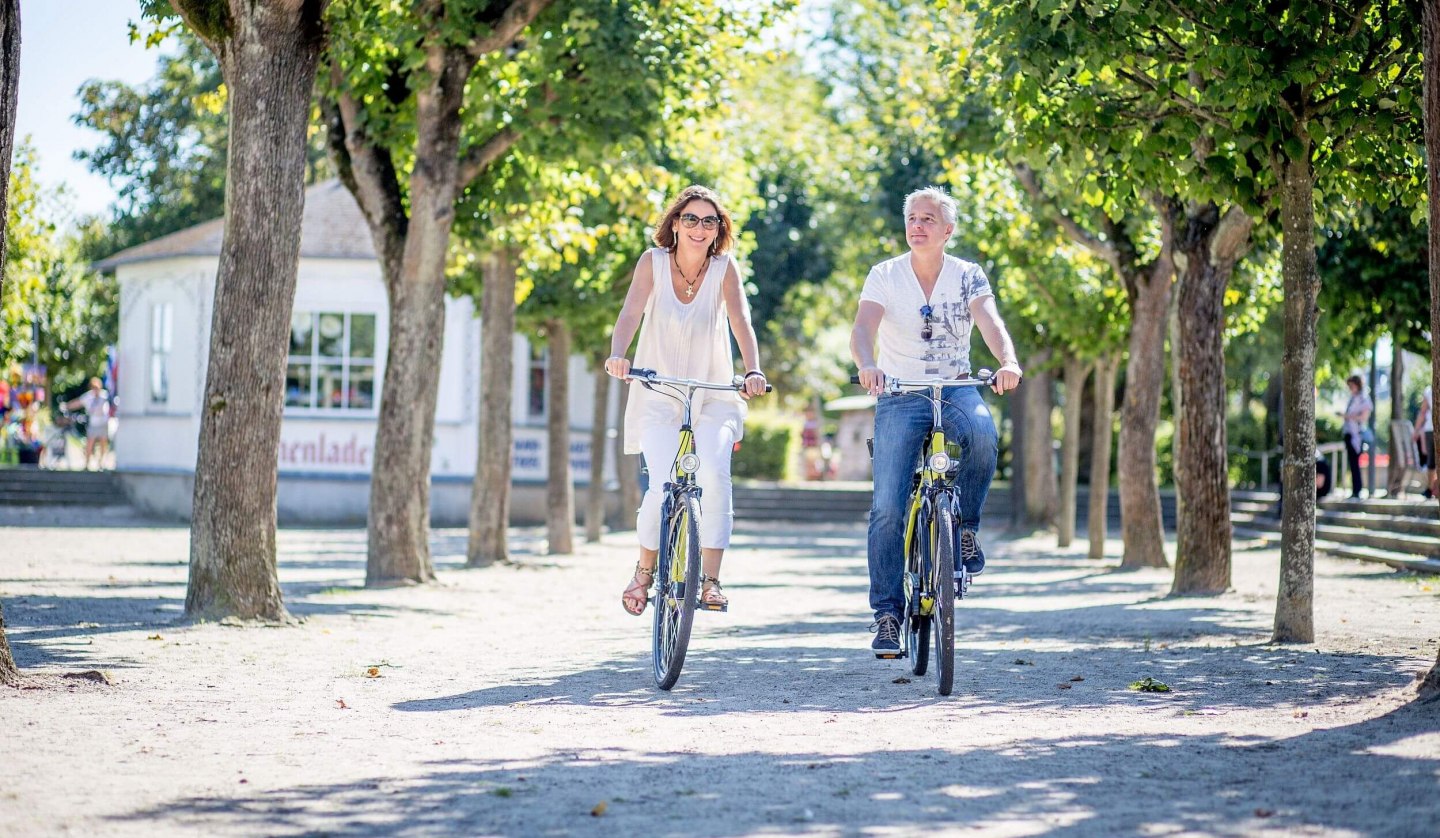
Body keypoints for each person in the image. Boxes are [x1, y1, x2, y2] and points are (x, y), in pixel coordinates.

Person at [850, 186, 1022, 657]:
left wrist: (1007, 360)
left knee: (984, 435)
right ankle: (887, 615)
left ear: (948, 231)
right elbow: (863, 330)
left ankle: (964, 530)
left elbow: (989, 322)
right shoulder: (885, 275)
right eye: (912, 217)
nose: (918, 225)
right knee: (887, 507)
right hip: (900, 393)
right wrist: (869, 364)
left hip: (956, 386)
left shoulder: (968, 275)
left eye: (929, 218)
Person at [604, 185, 768, 615]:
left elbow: (741, 321)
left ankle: (710, 580)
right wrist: (619, 355)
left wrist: (752, 370)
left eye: (709, 221)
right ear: (675, 224)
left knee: (714, 474)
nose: (699, 228)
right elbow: (630, 313)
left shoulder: (724, 268)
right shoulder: (652, 263)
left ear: (719, 231)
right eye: (690, 219)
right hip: (658, 393)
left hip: (713, 394)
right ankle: (644, 573)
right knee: (661, 484)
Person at [65, 377, 112, 470]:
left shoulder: (105, 396)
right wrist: (67, 406)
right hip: (93, 423)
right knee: (89, 443)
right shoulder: (88, 396)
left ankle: (101, 463)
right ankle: (87, 463)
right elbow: (78, 402)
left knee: (103, 443)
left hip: (103, 423)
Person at [1341, 374, 1373, 500]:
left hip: (1357, 435)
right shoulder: (1352, 398)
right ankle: (1355, 489)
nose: (1350, 388)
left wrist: (1349, 417)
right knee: (1352, 463)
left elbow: (1364, 417)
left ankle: (1357, 489)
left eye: (1352, 385)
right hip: (1349, 433)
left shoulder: (1364, 399)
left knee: (1355, 463)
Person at [1413, 384, 1435, 498]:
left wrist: (1416, 431)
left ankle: (1431, 488)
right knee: (1431, 461)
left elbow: (1422, 411)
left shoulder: (1429, 390)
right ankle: (1431, 488)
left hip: (1431, 429)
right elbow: (1423, 412)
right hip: (1431, 429)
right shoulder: (1429, 390)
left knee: (1431, 461)